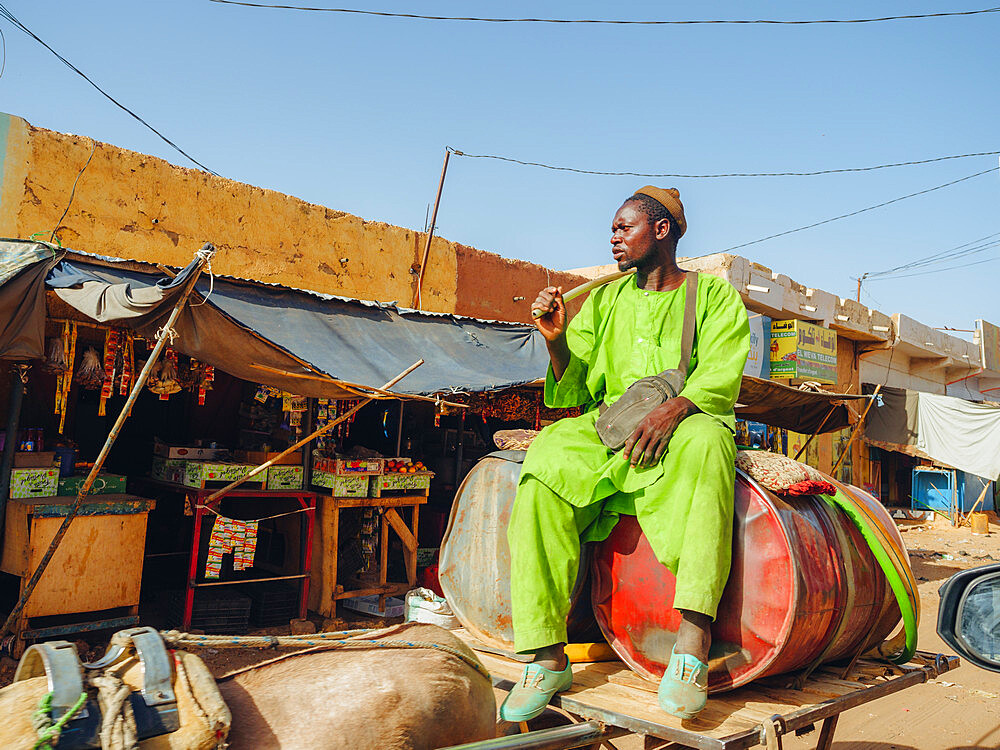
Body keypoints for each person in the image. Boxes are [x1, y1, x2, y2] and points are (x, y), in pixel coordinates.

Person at [499, 186, 750, 722]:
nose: (613, 238)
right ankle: (546, 655)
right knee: (547, 457)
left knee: (710, 444)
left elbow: (721, 372)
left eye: (623, 228)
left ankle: (691, 644)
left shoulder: (713, 297)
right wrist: (554, 340)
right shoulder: (605, 301)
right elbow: (577, 391)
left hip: (682, 422)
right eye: (612, 230)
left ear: (661, 231)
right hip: (611, 424)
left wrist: (677, 409)